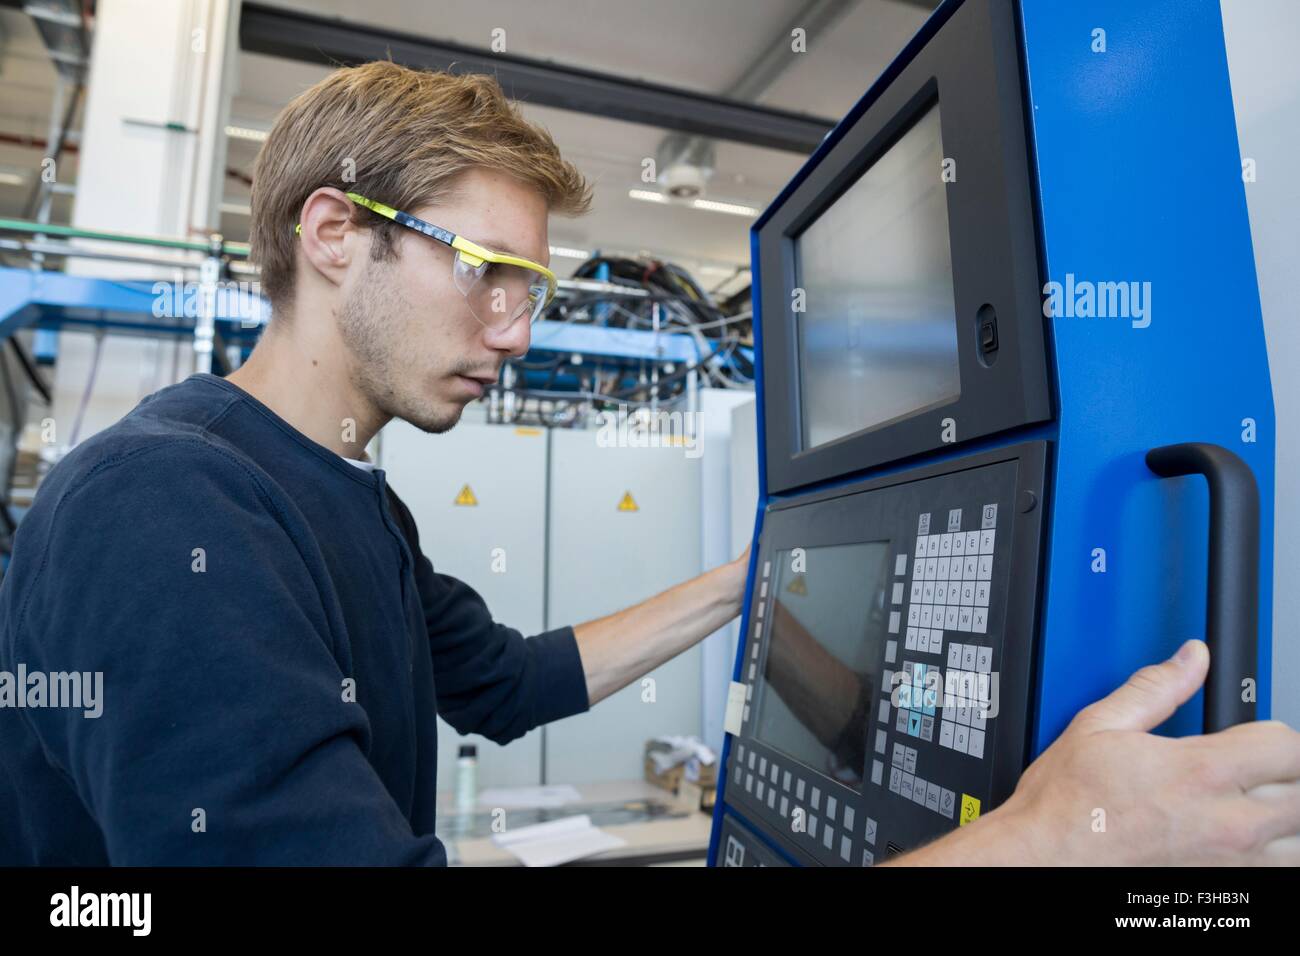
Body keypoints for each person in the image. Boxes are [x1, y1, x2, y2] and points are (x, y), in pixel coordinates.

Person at [0, 62, 1295, 866]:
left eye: (533, 285)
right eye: (491, 274)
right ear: (334, 232)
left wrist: (758, 577)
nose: (519, 326)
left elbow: (510, 681)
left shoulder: (344, 499)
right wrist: (1037, 843)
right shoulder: (166, 505)